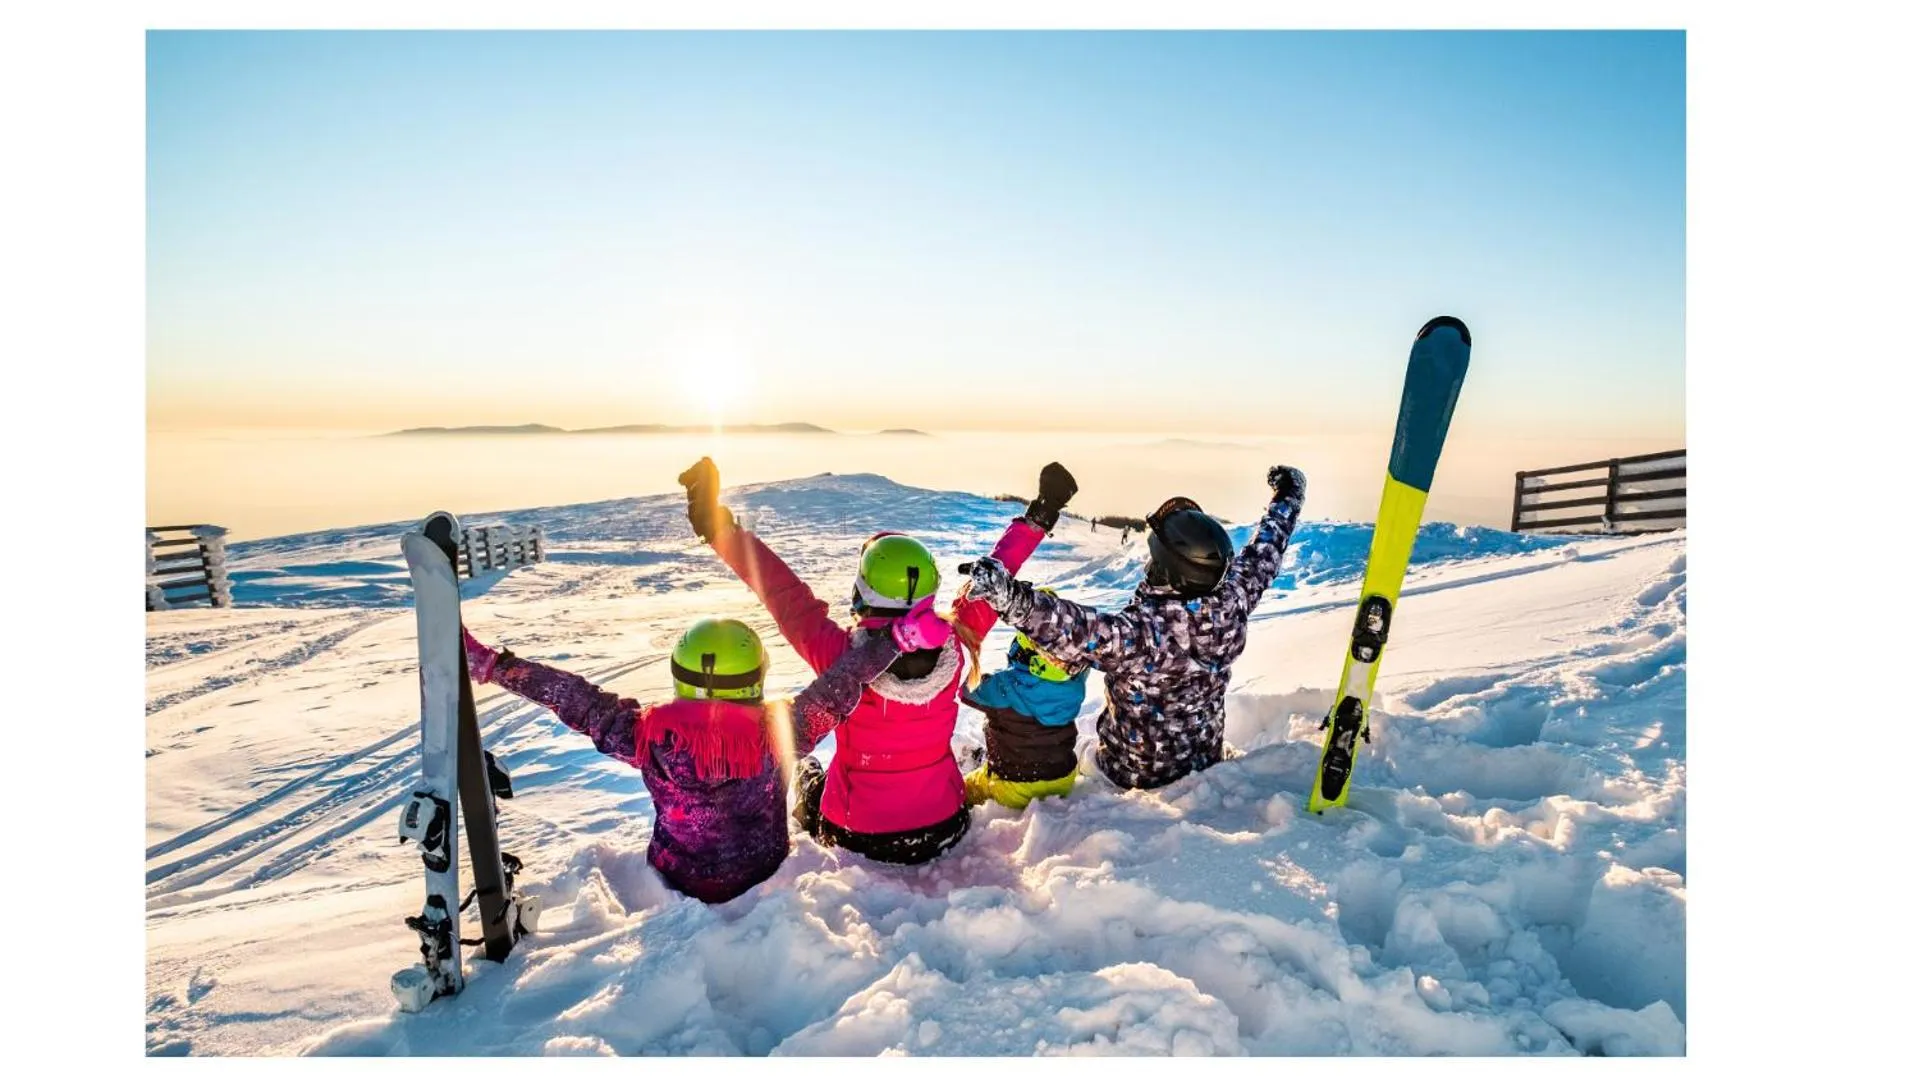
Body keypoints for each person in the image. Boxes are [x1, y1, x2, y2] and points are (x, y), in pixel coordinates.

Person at [677, 457, 1078, 864]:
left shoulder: (840, 658)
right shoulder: (957, 642)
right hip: (944, 823)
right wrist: (1040, 514)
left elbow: (783, 593)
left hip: (857, 833)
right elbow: (996, 576)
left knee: (809, 775)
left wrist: (718, 528)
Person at [459, 615, 915, 903]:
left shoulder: (645, 735)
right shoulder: (780, 732)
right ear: (755, 678)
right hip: (764, 869)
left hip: (678, 879)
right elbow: (837, 688)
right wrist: (894, 640)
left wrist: (497, 667)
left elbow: (576, 699)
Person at [960, 465, 1306, 791]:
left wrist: (1009, 597)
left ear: (1168, 569)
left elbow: (1073, 629)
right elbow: (1265, 552)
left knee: (1077, 759)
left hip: (1131, 773)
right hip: (1204, 758)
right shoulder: (1232, 601)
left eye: (1154, 558)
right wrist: (1288, 496)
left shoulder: (1143, 634)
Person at [959, 587, 1092, 810]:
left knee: (967, 788)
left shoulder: (1005, 686)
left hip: (1015, 786)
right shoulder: (1073, 682)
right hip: (1063, 778)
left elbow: (966, 690)